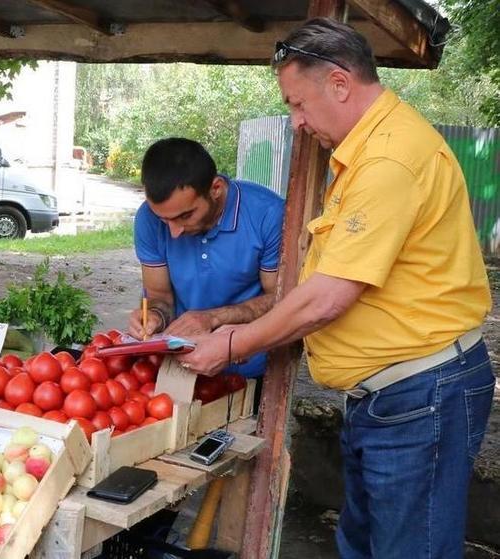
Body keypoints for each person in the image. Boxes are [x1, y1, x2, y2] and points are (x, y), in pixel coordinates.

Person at [178, 18, 494, 558]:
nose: (297, 123)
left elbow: (326, 297)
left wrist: (233, 345)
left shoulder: (389, 159)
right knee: (365, 544)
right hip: (389, 397)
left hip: (421, 395)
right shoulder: (367, 151)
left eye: (298, 104)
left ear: (341, 84)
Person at [128, 137, 284, 384]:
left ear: (216, 189)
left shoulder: (268, 214)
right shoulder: (148, 219)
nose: (174, 232)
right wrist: (155, 316)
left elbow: (282, 299)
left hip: (250, 369)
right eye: (163, 220)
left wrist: (212, 318)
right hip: (183, 366)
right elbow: (160, 297)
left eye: (185, 216)